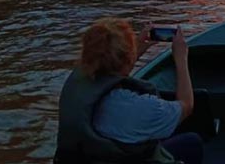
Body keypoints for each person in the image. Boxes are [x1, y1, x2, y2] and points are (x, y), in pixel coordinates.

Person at [54, 18, 202, 164]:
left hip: (85, 158)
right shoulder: (137, 107)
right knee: (192, 142)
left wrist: (135, 48)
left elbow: (109, 69)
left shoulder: (75, 82)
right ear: (127, 58)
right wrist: (181, 59)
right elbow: (186, 106)